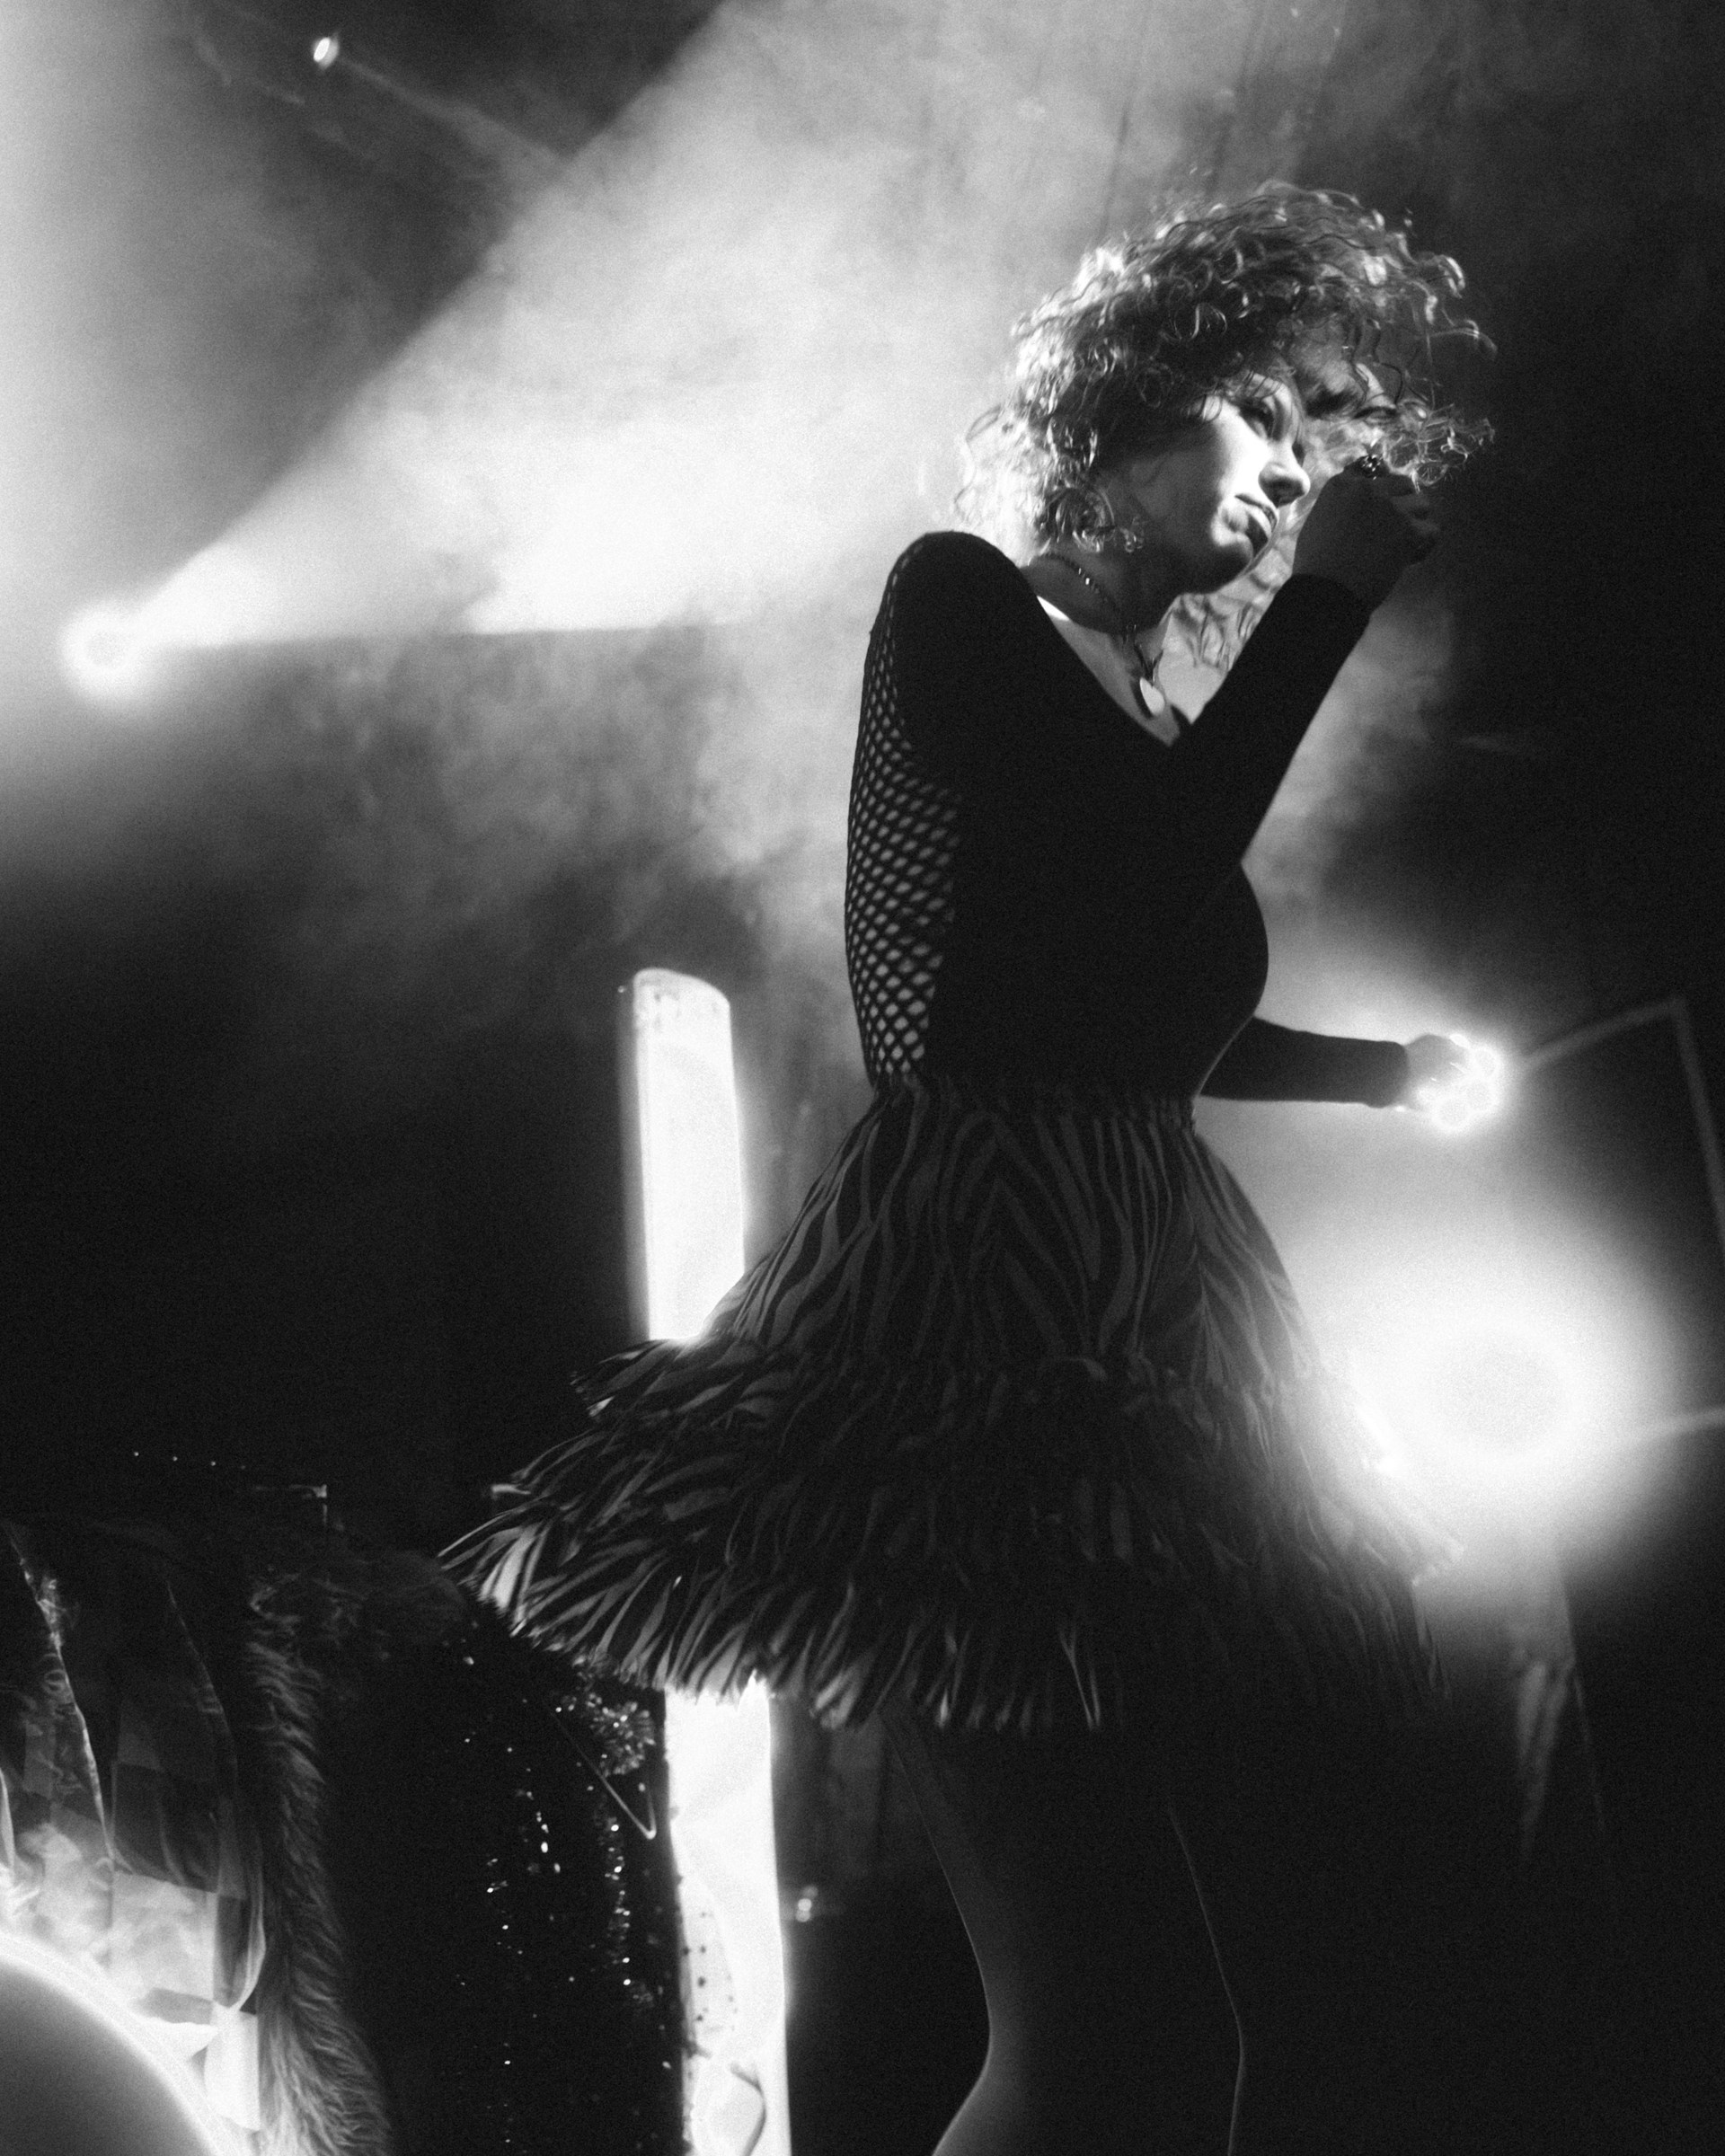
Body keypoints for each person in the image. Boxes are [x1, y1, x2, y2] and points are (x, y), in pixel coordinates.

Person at [452, 188, 1496, 2154]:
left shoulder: (1157, 712)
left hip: (1146, 1271)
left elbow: (1126, 1010)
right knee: (1112, 2029)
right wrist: (1333, 607)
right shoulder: (962, 605)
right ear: (1123, 407)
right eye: (1262, 416)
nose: (1293, 475)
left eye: (1320, 447)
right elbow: (1113, 915)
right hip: (984, 1288)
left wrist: (1379, 1077)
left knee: (1173, 2032)